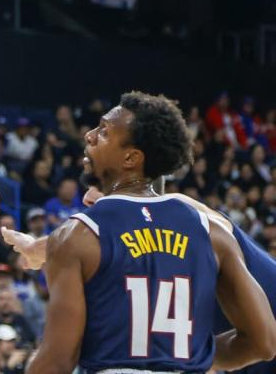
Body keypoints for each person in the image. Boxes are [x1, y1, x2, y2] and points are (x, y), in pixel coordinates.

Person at [25, 92, 276, 374]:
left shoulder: (76, 236)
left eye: (104, 132)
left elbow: (56, 362)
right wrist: (193, 355)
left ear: (131, 157)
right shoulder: (212, 233)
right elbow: (263, 342)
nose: (89, 135)